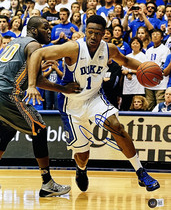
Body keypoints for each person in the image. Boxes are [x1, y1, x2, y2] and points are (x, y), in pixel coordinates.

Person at [26, 15, 160, 193]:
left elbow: (126, 61)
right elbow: (38, 53)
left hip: (95, 98)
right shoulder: (73, 48)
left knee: (116, 126)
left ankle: (141, 172)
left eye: (98, 33)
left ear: (104, 33)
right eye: (90, 32)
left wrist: (149, 69)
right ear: (85, 31)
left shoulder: (109, 49)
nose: (93, 36)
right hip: (71, 104)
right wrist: (32, 85)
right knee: (82, 155)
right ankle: (81, 170)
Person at [0, 16, 81, 197]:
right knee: (40, 129)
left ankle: (47, 183)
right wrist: (63, 88)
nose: (49, 31)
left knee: (5, 132)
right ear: (34, 30)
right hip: (8, 94)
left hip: (1, 94)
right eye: (46, 28)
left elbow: (37, 79)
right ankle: (47, 183)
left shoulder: (16, 42)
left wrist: (62, 89)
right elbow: (36, 81)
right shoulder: (34, 45)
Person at [145, 29, 170, 111]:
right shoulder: (148, 51)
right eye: (153, 34)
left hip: (160, 81)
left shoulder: (165, 50)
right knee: (149, 105)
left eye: (157, 34)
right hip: (149, 82)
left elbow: (163, 67)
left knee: (160, 105)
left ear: (162, 37)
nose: (155, 36)